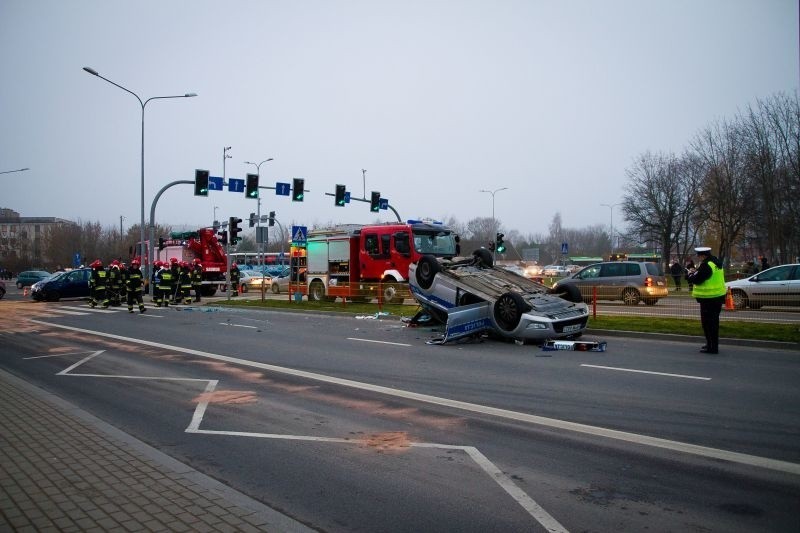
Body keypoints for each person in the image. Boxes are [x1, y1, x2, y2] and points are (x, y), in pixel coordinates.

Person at [685, 247, 727, 354]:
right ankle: (712, 345)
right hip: (718, 297)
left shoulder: (706, 265)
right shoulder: (716, 263)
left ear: (703, 255)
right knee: (714, 323)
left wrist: (690, 274)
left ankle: (712, 347)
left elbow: (698, 280)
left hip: (708, 299)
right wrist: (696, 271)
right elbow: (705, 275)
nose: (698, 258)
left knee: (707, 324)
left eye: (699, 255)